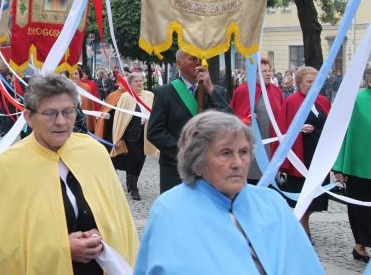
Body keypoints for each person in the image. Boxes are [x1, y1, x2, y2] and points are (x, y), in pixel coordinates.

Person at [0, 74, 139, 275]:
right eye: (50, 113)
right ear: (29, 117)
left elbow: (121, 223)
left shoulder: (93, 152)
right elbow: (2, 249)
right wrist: (61, 249)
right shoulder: (10, 165)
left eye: (68, 111)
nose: (61, 121)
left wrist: (102, 235)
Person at [133, 111, 325, 275]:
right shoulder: (172, 208)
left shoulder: (271, 202)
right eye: (225, 153)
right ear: (196, 162)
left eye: (243, 152)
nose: (238, 163)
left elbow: (303, 264)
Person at [147, 49, 231, 194]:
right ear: (179, 64)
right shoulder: (164, 93)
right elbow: (155, 132)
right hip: (175, 167)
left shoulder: (215, 91)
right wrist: (185, 153)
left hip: (209, 167)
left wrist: (210, 89)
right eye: (193, 59)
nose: (199, 63)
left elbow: (230, 123)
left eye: (201, 59)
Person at [277, 65, 331, 238]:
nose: (312, 85)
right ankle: (302, 228)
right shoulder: (291, 102)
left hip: (318, 155)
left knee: (316, 198)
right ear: (299, 83)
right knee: (301, 195)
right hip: (301, 155)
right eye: (309, 81)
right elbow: (282, 128)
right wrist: (298, 129)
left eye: (316, 81)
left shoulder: (322, 101)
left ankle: (302, 224)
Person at [333, 73, 371, 263]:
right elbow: (345, 132)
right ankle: (360, 245)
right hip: (359, 166)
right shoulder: (358, 101)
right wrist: (340, 166)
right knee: (359, 206)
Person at [229, 57, 283, 184]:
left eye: (270, 71)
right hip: (250, 146)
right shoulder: (243, 90)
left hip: (271, 145)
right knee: (250, 181)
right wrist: (245, 119)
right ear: (254, 74)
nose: (269, 74)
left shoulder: (276, 92)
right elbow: (232, 118)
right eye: (264, 71)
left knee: (269, 182)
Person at [111, 73, 157, 200]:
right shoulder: (126, 97)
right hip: (131, 133)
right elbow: (120, 118)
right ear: (130, 84)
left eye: (140, 81)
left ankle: (131, 181)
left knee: (141, 159)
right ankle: (134, 188)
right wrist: (119, 137)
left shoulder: (150, 95)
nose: (139, 83)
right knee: (135, 158)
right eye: (136, 81)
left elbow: (155, 111)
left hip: (146, 133)